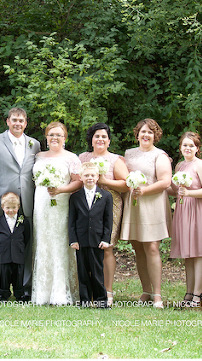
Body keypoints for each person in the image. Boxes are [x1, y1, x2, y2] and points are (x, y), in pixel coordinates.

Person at [0, 107, 40, 296]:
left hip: (29, 204)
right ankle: (1, 288)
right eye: (14, 120)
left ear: (26, 123)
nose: (18, 123)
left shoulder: (34, 144)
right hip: (4, 204)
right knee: (4, 246)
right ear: (7, 121)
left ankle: (25, 289)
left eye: (21, 121)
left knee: (26, 245)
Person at [121, 118, 172, 308]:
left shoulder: (160, 156)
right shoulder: (128, 154)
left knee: (152, 247)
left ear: (155, 135)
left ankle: (157, 294)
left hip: (153, 203)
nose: (146, 135)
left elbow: (165, 182)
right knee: (138, 248)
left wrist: (144, 190)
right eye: (143, 132)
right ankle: (146, 291)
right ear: (137, 135)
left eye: (150, 132)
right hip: (134, 205)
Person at [30, 121, 82, 305]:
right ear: (46, 137)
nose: (55, 138)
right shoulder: (38, 156)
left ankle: (60, 292)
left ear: (65, 138)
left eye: (59, 135)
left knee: (59, 243)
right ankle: (42, 292)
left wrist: (61, 190)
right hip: (41, 205)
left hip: (61, 204)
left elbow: (78, 182)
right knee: (42, 242)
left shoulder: (71, 158)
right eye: (51, 134)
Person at [78, 123, 129, 307]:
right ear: (91, 140)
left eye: (103, 137)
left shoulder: (116, 160)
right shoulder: (83, 158)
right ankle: (89, 291)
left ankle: (107, 290)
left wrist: (106, 181)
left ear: (109, 141)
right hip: (86, 207)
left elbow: (126, 184)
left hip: (109, 205)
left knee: (105, 246)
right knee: (87, 247)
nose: (100, 139)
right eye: (96, 136)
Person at [169, 131, 202, 307]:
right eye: (185, 145)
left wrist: (189, 193)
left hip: (198, 210)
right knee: (187, 254)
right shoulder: (180, 166)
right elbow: (175, 190)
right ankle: (189, 293)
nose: (187, 148)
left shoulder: (201, 166)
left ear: (197, 148)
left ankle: (198, 294)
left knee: (198, 253)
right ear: (180, 147)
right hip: (183, 210)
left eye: (191, 145)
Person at [69, 162, 113, 308]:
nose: (89, 178)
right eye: (86, 175)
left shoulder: (106, 196)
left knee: (97, 271)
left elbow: (108, 220)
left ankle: (101, 299)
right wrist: (73, 239)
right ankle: (85, 300)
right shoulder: (75, 197)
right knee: (82, 271)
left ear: (98, 177)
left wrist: (106, 239)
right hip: (81, 240)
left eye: (92, 175)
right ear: (81, 177)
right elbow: (72, 220)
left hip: (97, 240)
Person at [0, 192, 31, 302]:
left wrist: (20, 247)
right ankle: (3, 294)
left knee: (18, 275)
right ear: (2, 207)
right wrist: (2, 247)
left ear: (18, 207)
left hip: (18, 253)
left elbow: (26, 236)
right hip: (5, 253)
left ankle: (19, 294)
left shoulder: (23, 222)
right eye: (8, 208)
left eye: (14, 208)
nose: (11, 210)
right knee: (4, 274)